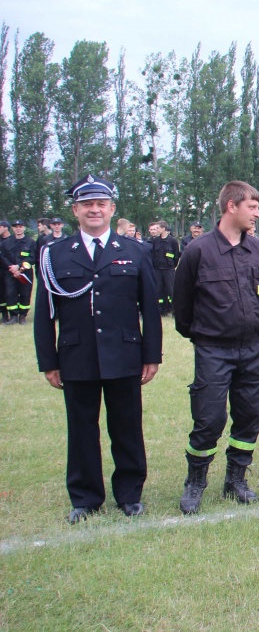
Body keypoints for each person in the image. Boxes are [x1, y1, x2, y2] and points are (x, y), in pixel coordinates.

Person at [34, 175, 162, 523]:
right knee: (81, 429)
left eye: (100, 204)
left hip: (124, 354)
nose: (94, 209)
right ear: (75, 210)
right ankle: (86, 499)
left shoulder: (135, 251)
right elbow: (45, 315)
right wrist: (49, 361)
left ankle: (130, 494)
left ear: (111, 209)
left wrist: (152, 355)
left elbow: (149, 309)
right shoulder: (53, 254)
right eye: (87, 204)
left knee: (126, 427)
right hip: (77, 355)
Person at [172, 181, 259, 514]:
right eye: (252, 207)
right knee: (209, 418)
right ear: (231, 206)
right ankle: (196, 481)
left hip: (253, 347)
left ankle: (236, 479)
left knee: (250, 414)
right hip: (214, 349)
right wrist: (204, 335)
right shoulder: (198, 251)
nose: (257, 213)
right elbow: (182, 307)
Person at [3, 218, 36, 324]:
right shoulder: (6, 242)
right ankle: (13, 316)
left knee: (25, 293)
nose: (18, 229)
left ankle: (22, 316)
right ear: (12, 228)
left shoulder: (30, 242)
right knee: (10, 293)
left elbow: (32, 257)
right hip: (10, 273)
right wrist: (11, 267)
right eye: (16, 227)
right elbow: (2, 256)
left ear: (24, 228)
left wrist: (18, 266)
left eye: (20, 227)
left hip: (25, 273)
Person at [149, 220, 179, 316]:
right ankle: (161, 310)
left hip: (169, 270)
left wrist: (171, 266)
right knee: (159, 291)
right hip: (158, 269)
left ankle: (175, 310)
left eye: (158, 228)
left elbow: (176, 256)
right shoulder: (156, 241)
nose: (156, 230)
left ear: (163, 229)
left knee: (171, 290)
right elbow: (153, 254)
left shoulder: (173, 241)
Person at [0, 220, 9, 324]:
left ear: (6, 228)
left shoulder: (11, 240)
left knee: (9, 293)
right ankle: (4, 314)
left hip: (7, 270)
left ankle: (13, 314)